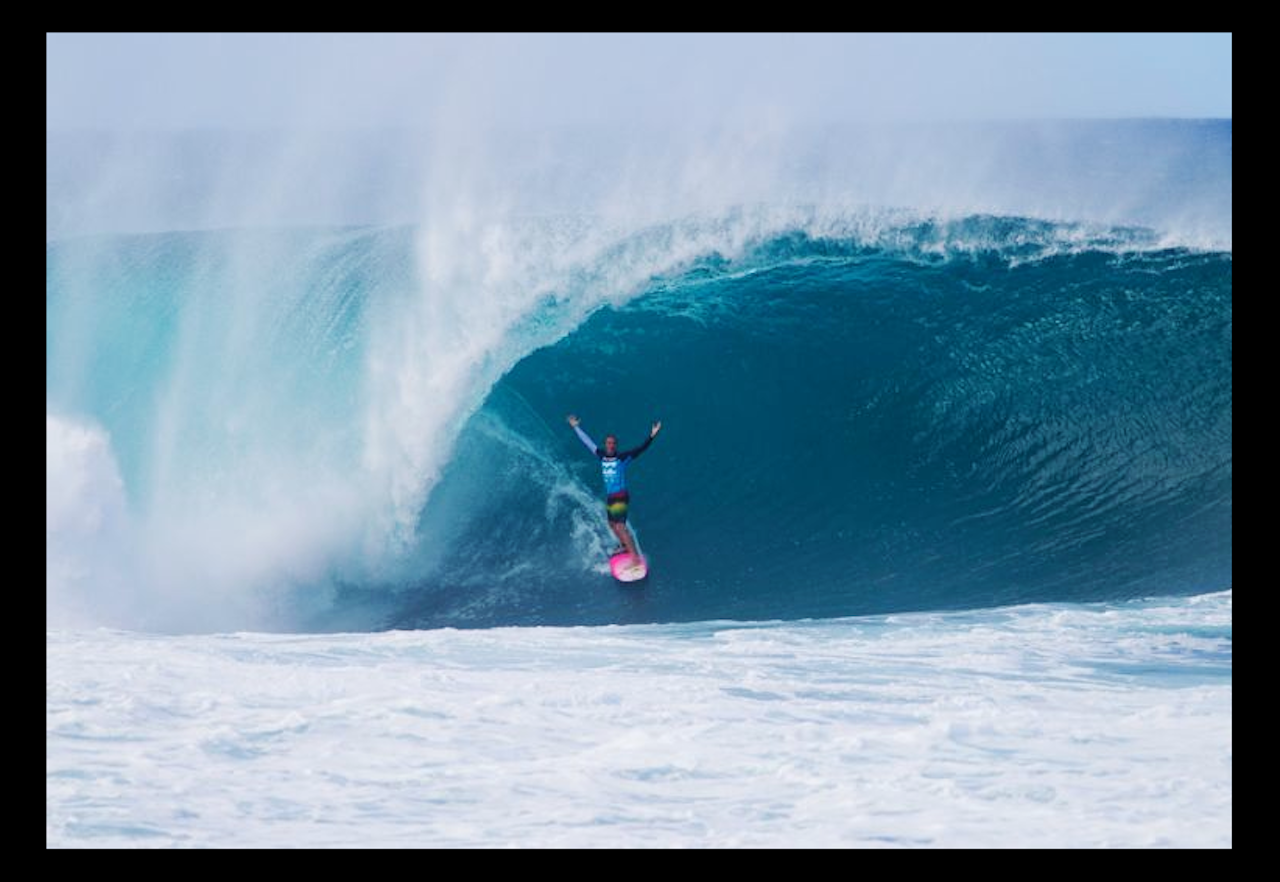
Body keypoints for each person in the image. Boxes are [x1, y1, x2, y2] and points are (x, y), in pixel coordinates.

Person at [567, 414, 661, 559]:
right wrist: (576, 427)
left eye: (613, 443)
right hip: (611, 497)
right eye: (608, 443)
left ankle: (635, 558)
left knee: (620, 527)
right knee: (611, 523)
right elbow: (587, 442)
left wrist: (652, 435)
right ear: (605, 445)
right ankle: (624, 545)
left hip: (621, 495)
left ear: (615, 445)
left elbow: (640, 449)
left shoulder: (622, 458)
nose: (610, 445)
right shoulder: (601, 456)